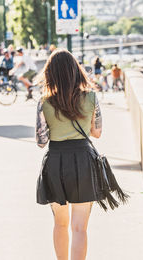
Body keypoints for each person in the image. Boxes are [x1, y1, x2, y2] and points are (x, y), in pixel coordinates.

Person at [36, 49, 103, 260]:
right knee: (79, 228)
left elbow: (41, 141)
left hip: (56, 162)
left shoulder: (44, 102)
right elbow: (97, 132)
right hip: (83, 160)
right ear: (76, 71)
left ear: (50, 74)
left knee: (60, 223)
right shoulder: (91, 97)